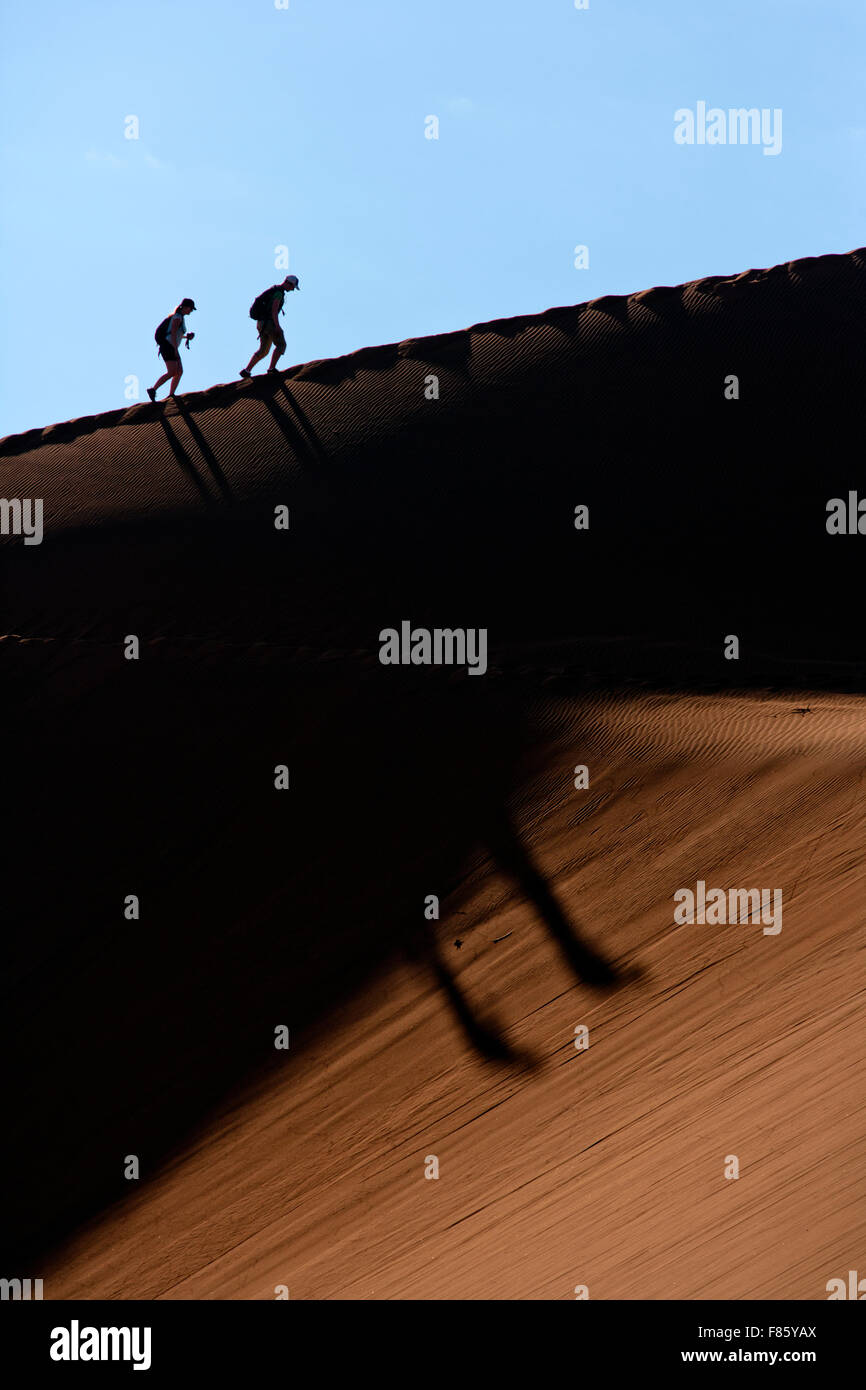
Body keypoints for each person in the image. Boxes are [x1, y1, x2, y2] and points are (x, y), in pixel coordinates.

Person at [240, 275, 299, 378]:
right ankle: (271, 369)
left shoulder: (274, 290)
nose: (293, 289)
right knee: (281, 345)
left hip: (261, 323)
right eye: (293, 286)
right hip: (269, 323)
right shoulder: (278, 293)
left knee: (264, 350)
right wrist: (277, 326)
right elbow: (274, 309)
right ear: (288, 283)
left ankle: (247, 370)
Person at [148, 298, 196, 401]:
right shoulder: (177, 317)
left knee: (179, 371)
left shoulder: (180, 317)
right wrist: (175, 349)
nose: (191, 311)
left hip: (170, 345)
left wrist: (186, 337)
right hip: (168, 346)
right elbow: (173, 333)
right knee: (172, 372)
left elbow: (174, 334)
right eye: (191, 309)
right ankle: (153, 389)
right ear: (186, 307)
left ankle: (171, 395)